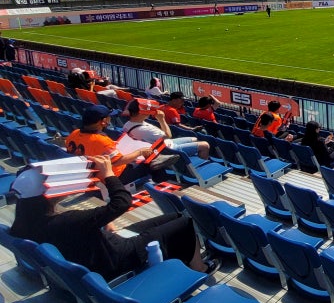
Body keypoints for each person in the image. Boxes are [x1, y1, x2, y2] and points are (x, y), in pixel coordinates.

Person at [9, 156, 215, 279]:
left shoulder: (24, 223)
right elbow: (121, 202)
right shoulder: (68, 220)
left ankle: (178, 259)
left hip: (100, 249)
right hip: (117, 257)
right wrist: (109, 175)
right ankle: (199, 268)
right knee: (184, 221)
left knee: (173, 217)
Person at [66, 104, 157, 184]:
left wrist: (109, 145)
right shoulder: (101, 140)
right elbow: (118, 161)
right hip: (113, 177)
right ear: (104, 121)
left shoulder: (75, 133)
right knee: (151, 164)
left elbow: (90, 146)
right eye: (109, 117)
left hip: (90, 172)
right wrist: (140, 151)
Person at [121, 98, 211, 160]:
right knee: (205, 145)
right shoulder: (146, 130)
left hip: (163, 144)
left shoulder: (127, 124)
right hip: (169, 149)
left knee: (194, 138)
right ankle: (200, 164)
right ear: (141, 113)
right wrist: (161, 119)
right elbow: (168, 135)